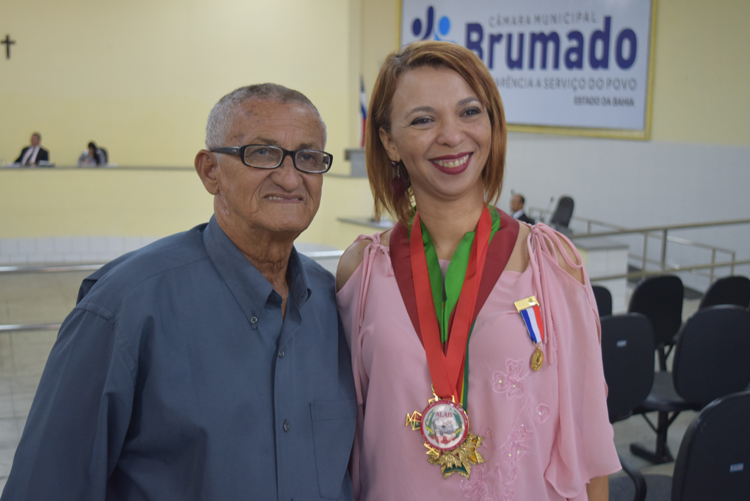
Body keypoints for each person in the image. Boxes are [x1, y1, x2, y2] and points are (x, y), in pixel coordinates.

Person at [2, 84, 356, 500]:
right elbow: (46, 487)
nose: (291, 175)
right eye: (262, 152)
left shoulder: (337, 306)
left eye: (309, 158)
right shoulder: (123, 310)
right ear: (210, 171)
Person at [336, 41, 619, 501]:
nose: (452, 135)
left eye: (470, 112)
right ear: (388, 140)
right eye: (423, 119)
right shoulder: (362, 272)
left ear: (492, 123)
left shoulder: (551, 263)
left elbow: (588, 441)